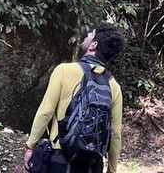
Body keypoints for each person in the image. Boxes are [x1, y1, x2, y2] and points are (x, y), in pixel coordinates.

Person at [24, 22, 125, 173]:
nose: (87, 36)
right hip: (92, 164)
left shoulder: (64, 70)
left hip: (60, 158)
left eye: (90, 34)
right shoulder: (114, 87)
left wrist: (30, 146)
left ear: (93, 45)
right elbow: (115, 133)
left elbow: (46, 112)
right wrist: (112, 169)